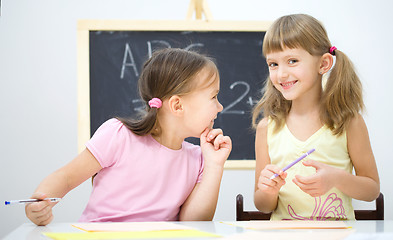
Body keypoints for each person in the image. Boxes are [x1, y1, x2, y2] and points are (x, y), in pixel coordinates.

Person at [25, 48, 232, 225]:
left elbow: (193, 223)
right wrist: (39, 202)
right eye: (213, 97)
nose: (220, 107)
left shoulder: (199, 158)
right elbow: (66, 177)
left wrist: (215, 166)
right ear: (177, 105)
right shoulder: (118, 135)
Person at [252, 14, 379, 220]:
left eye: (292, 61)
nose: (281, 74)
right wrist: (268, 190)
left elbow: (372, 190)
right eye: (273, 64)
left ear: (323, 64)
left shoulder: (349, 122)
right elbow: (262, 205)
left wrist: (337, 178)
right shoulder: (267, 128)